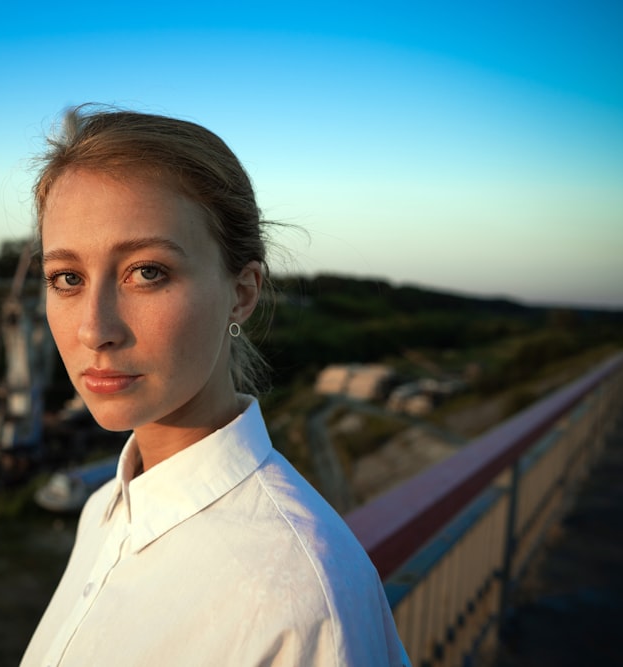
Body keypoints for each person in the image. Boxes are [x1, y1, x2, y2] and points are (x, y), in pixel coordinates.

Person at [21, 106, 410, 666]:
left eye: (147, 272)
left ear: (242, 292)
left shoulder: (298, 600)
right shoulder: (103, 509)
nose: (94, 329)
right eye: (68, 278)